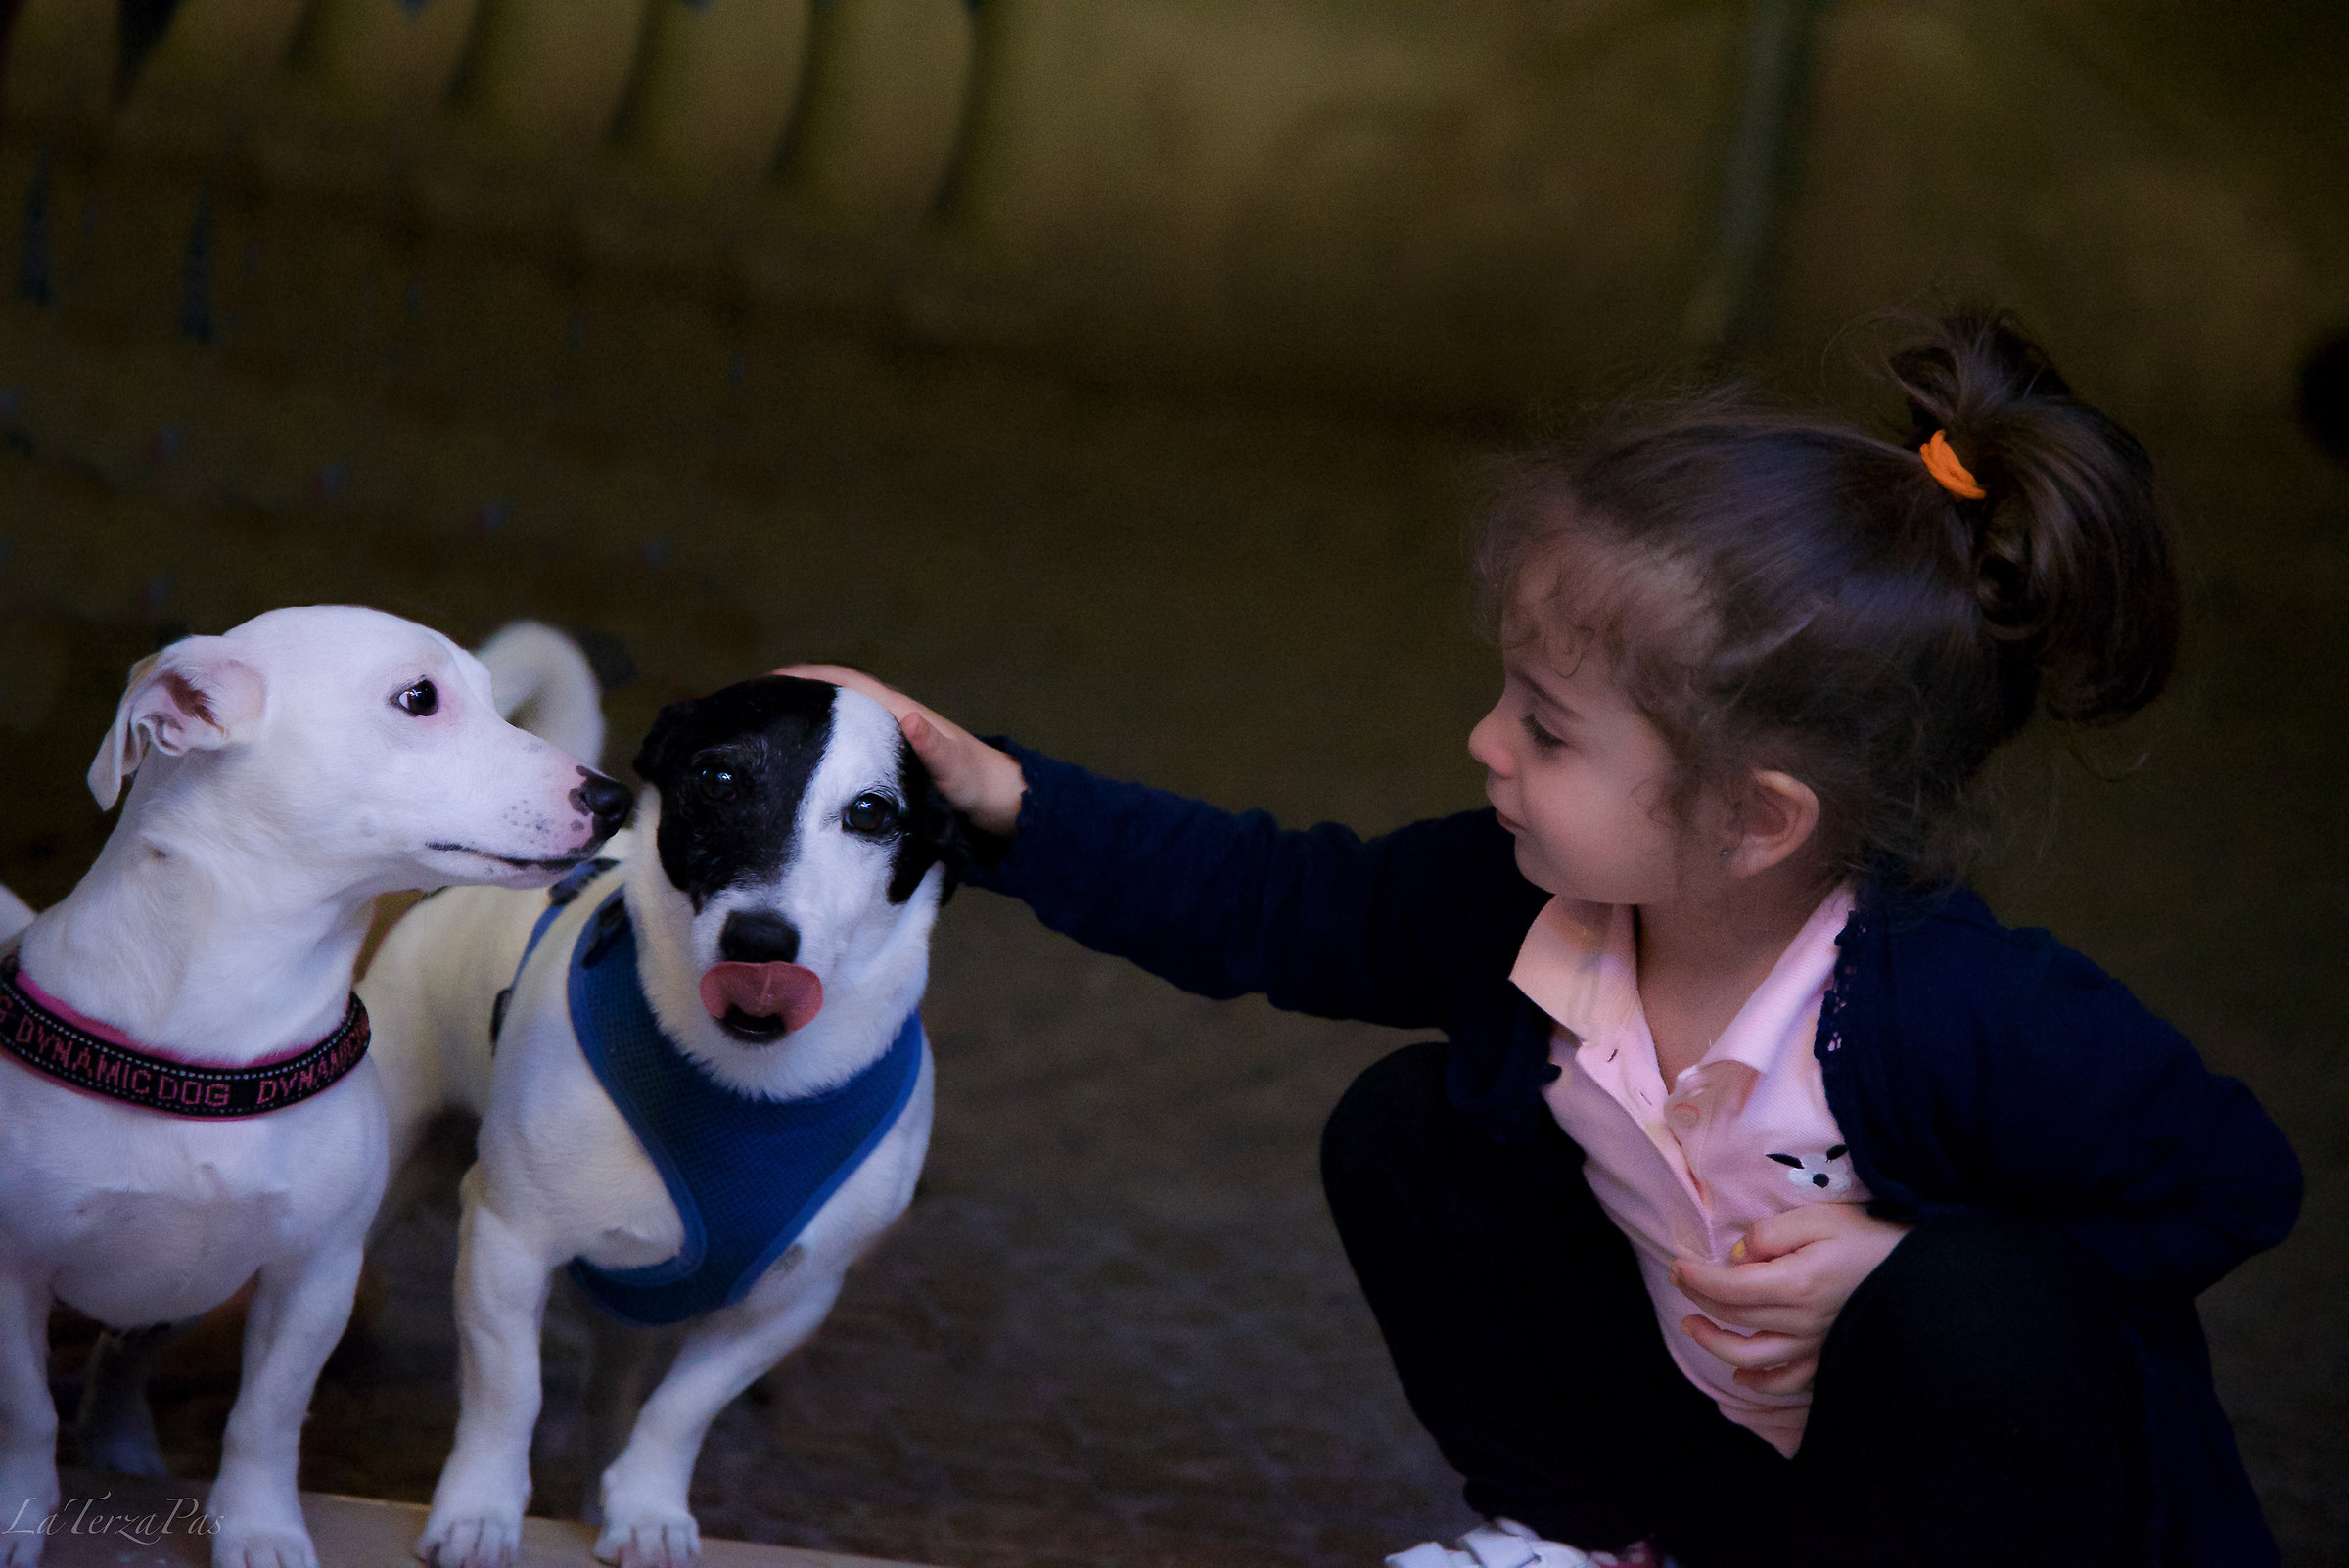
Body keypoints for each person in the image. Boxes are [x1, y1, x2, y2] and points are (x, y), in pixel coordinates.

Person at [785, 311, 2301, 1568]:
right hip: (1749, 1496)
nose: (1486, 742)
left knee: (1980, 1302)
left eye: (1549, 727)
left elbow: (2238, 1179)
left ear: (1754, 818)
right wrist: (999, 798)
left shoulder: (1970, 1009)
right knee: (1408, 1137)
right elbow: (1271, 900)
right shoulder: (1524, 909)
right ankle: (1591, 1545)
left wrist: (1898, 1260)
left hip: (1986, 1532)